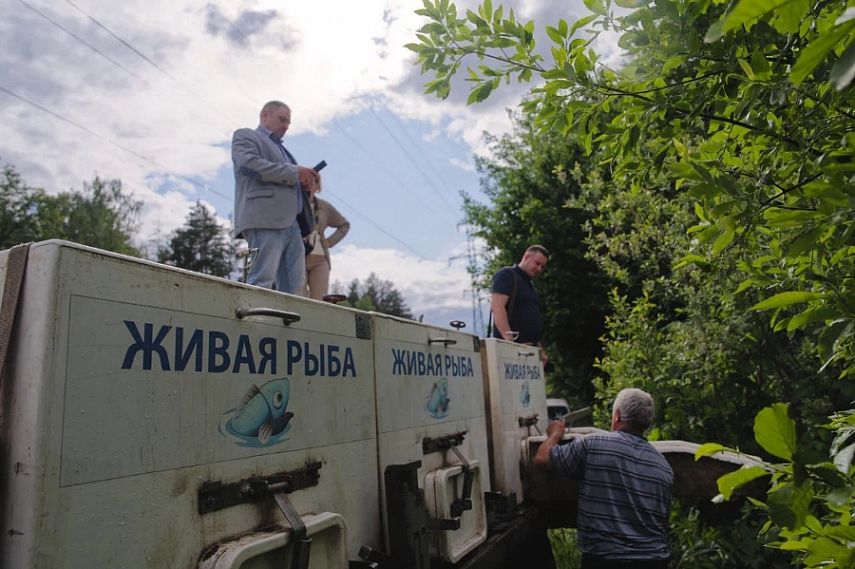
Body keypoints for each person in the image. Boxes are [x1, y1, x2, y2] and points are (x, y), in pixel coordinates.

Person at [533, 388, 674, 569]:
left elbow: (542, 459)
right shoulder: (663, 466)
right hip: (655, 561)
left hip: (605, 560)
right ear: (647, 422)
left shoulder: (594, 444)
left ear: (616, 416)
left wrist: (555, 434)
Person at [232, 101, 319, 293]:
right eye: (282, 120)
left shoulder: (284, 151)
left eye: (289, 122)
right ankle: (254, 322)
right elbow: (249, 164)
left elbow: (286, 176)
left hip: (292, 225)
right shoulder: (246, 136)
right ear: (264, 115)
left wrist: (305, 184)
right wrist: (296, 172)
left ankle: (285, 323)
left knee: (295, 287)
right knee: (262, 279)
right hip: (264, 219)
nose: (286, 126)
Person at [490, 244, 549, 344]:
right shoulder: (507, 275)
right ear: (526, 257)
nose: (539, 269)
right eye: (537, 263)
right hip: (509, 349)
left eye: (542, 266)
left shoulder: (531, 286)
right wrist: (510, 340)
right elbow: (497, 307)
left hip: (529, 350)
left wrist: (539, 348)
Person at [303, 181, 350, 300]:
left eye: (312, 181)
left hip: (320, 259)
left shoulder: (324, 207)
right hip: (298, 257)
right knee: (298, 297)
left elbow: (344, 225)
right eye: (304, 180)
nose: (307, 184)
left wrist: (329, 241)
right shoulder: (294, 203)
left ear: (317, 186)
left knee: (320, 299)